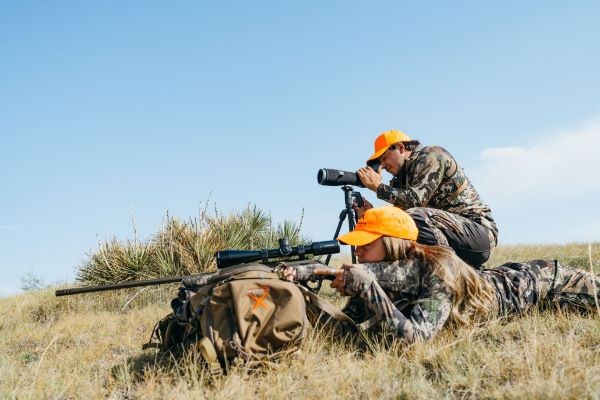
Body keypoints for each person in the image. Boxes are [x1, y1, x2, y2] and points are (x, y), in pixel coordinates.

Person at [298, 207, 599, 343]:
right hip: (510, 278)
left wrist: (369, 289)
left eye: (366, 244)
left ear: (392, 244)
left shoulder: (438, 269)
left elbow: (416, 339)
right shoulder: (386, 272)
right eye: (357, 245)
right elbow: (344, 333)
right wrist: (307, 287)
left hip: (547, 281)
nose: (358, 252)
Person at [355, 129, 498, 268]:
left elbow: (416, 201)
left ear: (400, 147)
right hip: (452, 235)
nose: (383, 165)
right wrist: (370, 214)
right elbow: (399, 224)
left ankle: (448, 272)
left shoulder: (432, 155)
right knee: (400, 232)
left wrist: (378, 187)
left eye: (384, 158)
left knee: (415, 215)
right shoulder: (401, 180)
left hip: (480, 233)